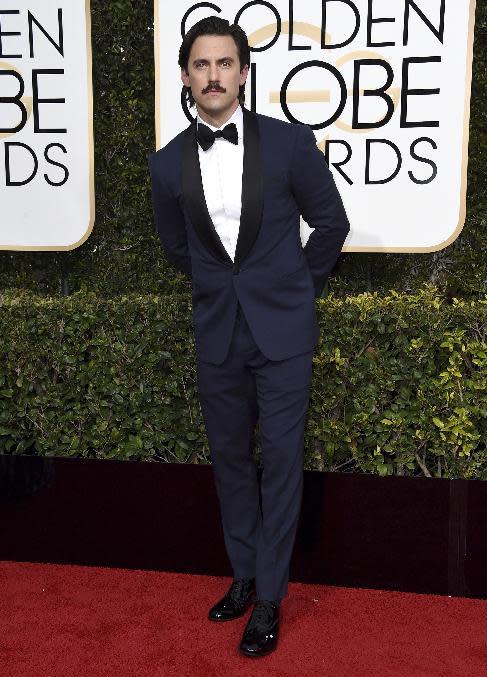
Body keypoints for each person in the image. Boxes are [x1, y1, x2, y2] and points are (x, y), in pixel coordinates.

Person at [148, 15, 350, 657]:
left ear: (243, 72)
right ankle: (243, 575)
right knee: (232, 463)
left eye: (225, 63)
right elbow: (178, 248)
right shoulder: (166, 164)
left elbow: (330, 223)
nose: (213, 75)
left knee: (282, 465)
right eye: (201, 65)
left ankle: (269, 597)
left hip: (284, 334)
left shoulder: (290, 144)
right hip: (218, 336)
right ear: (186, 75)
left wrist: (296, 287)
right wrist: (224, 292)